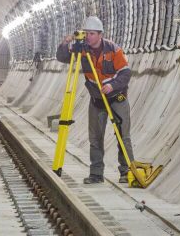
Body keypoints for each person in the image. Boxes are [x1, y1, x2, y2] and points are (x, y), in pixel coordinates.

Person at [56, 16, 133, 184]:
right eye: (86, 33)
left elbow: (126, 73)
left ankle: (127, 172)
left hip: (117, 98)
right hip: (97, 100)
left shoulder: (113, 49)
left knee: (123, 136)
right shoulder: (82, 50)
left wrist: (112, 85)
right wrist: (65, 43)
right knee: (95, 138)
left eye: (91, 33)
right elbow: (62, 57)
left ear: (100, 34)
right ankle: (96, 174)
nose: (88, 37)